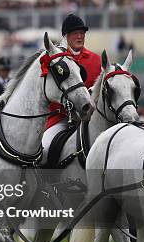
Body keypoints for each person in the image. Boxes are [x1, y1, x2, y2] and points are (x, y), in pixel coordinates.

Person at [41, 13, 101, 163]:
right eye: (75, 33)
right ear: (66, 36)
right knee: (45, 148)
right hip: (61, 118)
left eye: (82, 33)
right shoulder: (56, 61)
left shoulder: (96, 60)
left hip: (92, 119)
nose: (80, 36)